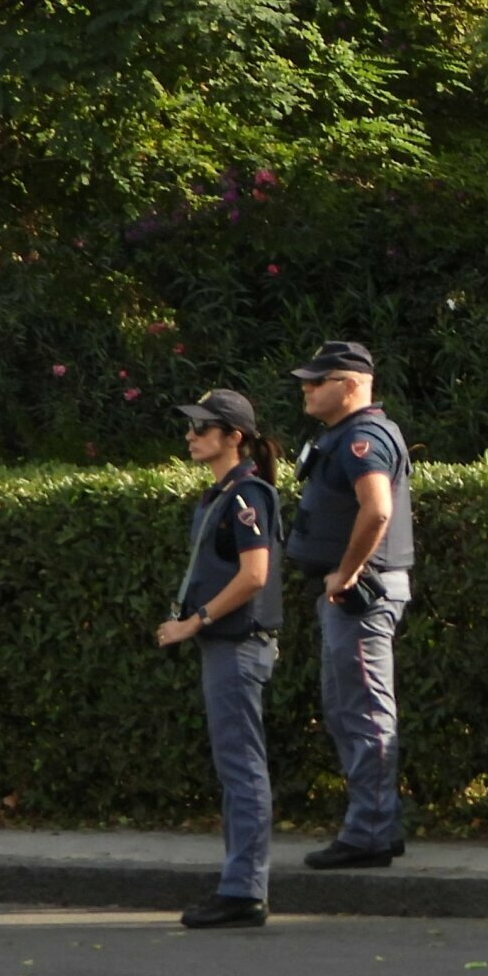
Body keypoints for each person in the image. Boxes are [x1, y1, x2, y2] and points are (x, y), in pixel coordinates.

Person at [282, 340, 414, 869]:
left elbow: (377, 510)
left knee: (364, 713)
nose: (307, 389)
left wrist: (350, 570)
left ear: (353, 384)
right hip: (351, 596)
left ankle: (371, 833)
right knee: (348, 711)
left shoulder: (362, 436)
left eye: (319, 381)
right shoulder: (347, 435)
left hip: (363, 595)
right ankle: (375, 825)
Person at [156, 389, 285, 930]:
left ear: (234, 437)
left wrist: (195, 620)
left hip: (237, 644)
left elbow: (254, 576)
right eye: (190, 426)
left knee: (242, 768)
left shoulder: (245, 494)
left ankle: (244, 890)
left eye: (203, 427)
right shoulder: (222, 494)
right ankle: (239, 884)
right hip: (226, 646)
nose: (190, 435)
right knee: (235, 767)